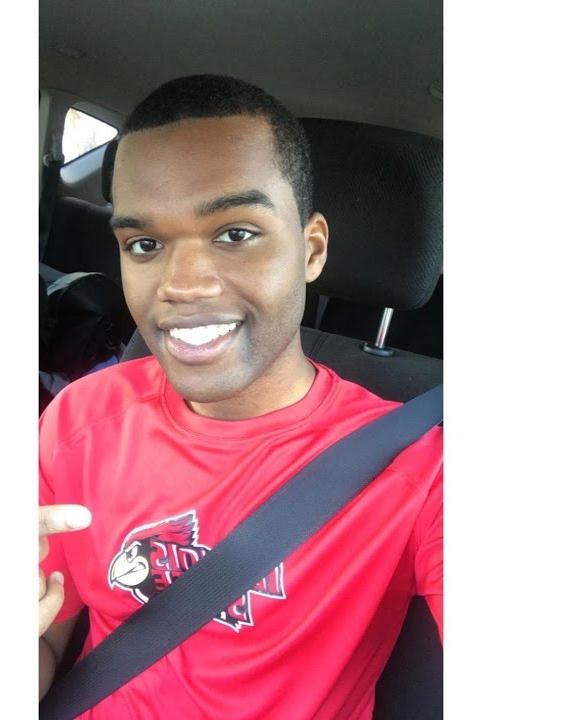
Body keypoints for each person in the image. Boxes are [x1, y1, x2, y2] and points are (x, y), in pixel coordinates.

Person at [38, 75, 442, 719]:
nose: (182, 284)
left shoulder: (418, 468)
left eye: (235, 234)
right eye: (145, 244)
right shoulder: (81, 417)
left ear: (311, 250)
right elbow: (46, 640)